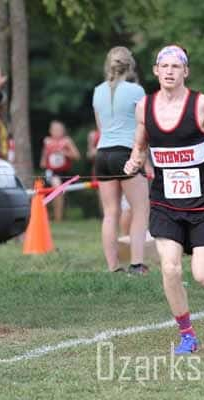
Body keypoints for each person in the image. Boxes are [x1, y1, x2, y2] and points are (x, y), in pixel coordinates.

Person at [124, 45, 204, 354]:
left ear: (185, 72)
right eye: (165, 66)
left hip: (203, 206)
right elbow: (140, 146)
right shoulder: (144, 108)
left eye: (177, 66)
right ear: (156, 71)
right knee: (170, 268)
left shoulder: (202, 105)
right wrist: (134, 160)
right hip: (165, 204)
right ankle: (187, 335)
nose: (170, 71)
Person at [92, 46, 151, 274]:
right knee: (140, 209)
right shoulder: (136, 91)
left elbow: (101, 127)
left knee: (110, 213)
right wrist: (145, 158)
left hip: (103, 154)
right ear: (131, 66)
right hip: (125, 153)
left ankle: (113, 267)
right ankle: (137, 264)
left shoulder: (97, 91)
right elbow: (143, 127)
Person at [39, 120, 80, 222]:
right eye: (55, 130)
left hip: (65, 173)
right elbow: (43, 162)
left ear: (63, 131)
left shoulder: (66, 141)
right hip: (52, 172)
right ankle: (58, 218)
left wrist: (64, 153)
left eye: (59, 130)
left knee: (60, 193)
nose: (57, 132)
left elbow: (77, 156)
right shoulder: (47, 141)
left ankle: (59, 215)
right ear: (50, 131)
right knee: (57, 189)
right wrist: (49, 158)